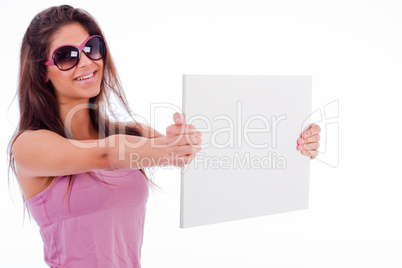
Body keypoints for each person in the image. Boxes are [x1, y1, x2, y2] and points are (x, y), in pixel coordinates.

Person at [7, 5, 321, 268]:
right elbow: (107, 154)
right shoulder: (30, 145)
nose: (87, 62)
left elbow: (212, 158)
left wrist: (293, 144)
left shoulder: (132, 134)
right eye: (66, 56)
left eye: (93, 47)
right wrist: (168, 149)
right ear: (42, 70)